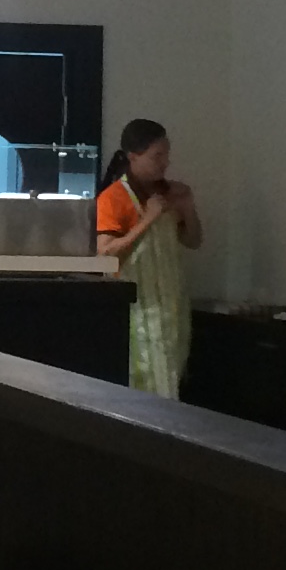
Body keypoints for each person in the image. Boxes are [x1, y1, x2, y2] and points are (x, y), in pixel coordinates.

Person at [94, 117, 201, 396]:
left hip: (172, 309)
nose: (165, 163)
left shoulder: (168, 193)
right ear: (133, 156)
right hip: (137, 313)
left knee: (171, 386)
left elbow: (193, 241)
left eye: (166, 155)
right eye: (157, 156)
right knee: (143, 391)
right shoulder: (113, 198)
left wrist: (188, 206)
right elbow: (106, 255)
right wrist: (148, 219)